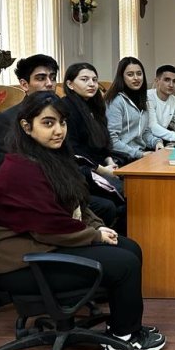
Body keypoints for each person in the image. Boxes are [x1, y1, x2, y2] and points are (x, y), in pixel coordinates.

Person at [0, 92, 166, 350]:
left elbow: (77, 202)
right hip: (25, 262)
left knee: (130, 248)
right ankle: (124, 338)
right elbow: (47, 226)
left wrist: (97, 227)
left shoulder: (50, 155)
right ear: (26, 126)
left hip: (45, 245)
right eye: (48, 123)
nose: (59, 130)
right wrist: (94, 236)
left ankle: (123, 326)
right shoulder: (21, 169)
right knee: (124, 263)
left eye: (62, 122)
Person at [61, 63, 126, 233]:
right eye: (84, 79)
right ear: (70, 84)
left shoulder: (95, 105)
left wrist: (109, 161)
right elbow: (74, 150)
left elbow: (104, 141)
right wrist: (103, 170)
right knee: (126, 192)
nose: (91, 84)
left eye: (94, 80)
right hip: (83, 170)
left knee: (133, 185)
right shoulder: (66, 108)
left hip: (102, 165)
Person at [0, 54, 58, 176]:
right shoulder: (6, 119)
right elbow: (0, 171)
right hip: (28, 183)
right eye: (41, 78)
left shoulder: (60, 113)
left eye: (53, 78)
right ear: (24, 85)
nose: (49, 83)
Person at [104, 57, 161, 163]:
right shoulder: (116, 101)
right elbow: (112, 140)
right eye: (130, 74)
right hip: (122, 159)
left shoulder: (144, 100)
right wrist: (139, 154)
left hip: (140, 155)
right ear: (121, 77)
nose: (136, 78)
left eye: (139, 74)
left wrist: (157, 142)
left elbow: (144, 132)